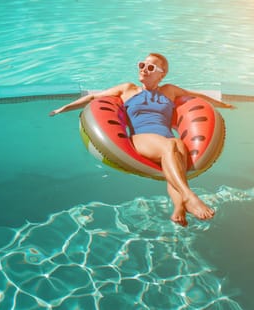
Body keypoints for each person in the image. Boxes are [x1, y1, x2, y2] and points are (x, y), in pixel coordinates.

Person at [49, 53, 234, 227]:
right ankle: (188, 195)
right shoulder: (128, 89)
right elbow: (93, 97)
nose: (144, 69)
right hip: (141, 139)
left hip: (166, 141)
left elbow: (198, 97)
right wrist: (63, 108)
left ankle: (179, 207)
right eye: (142, 65)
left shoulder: (169, 90)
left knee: (176, 146)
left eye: (151, 67)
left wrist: (222, 104)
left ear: (162, 74)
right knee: (171, 145)